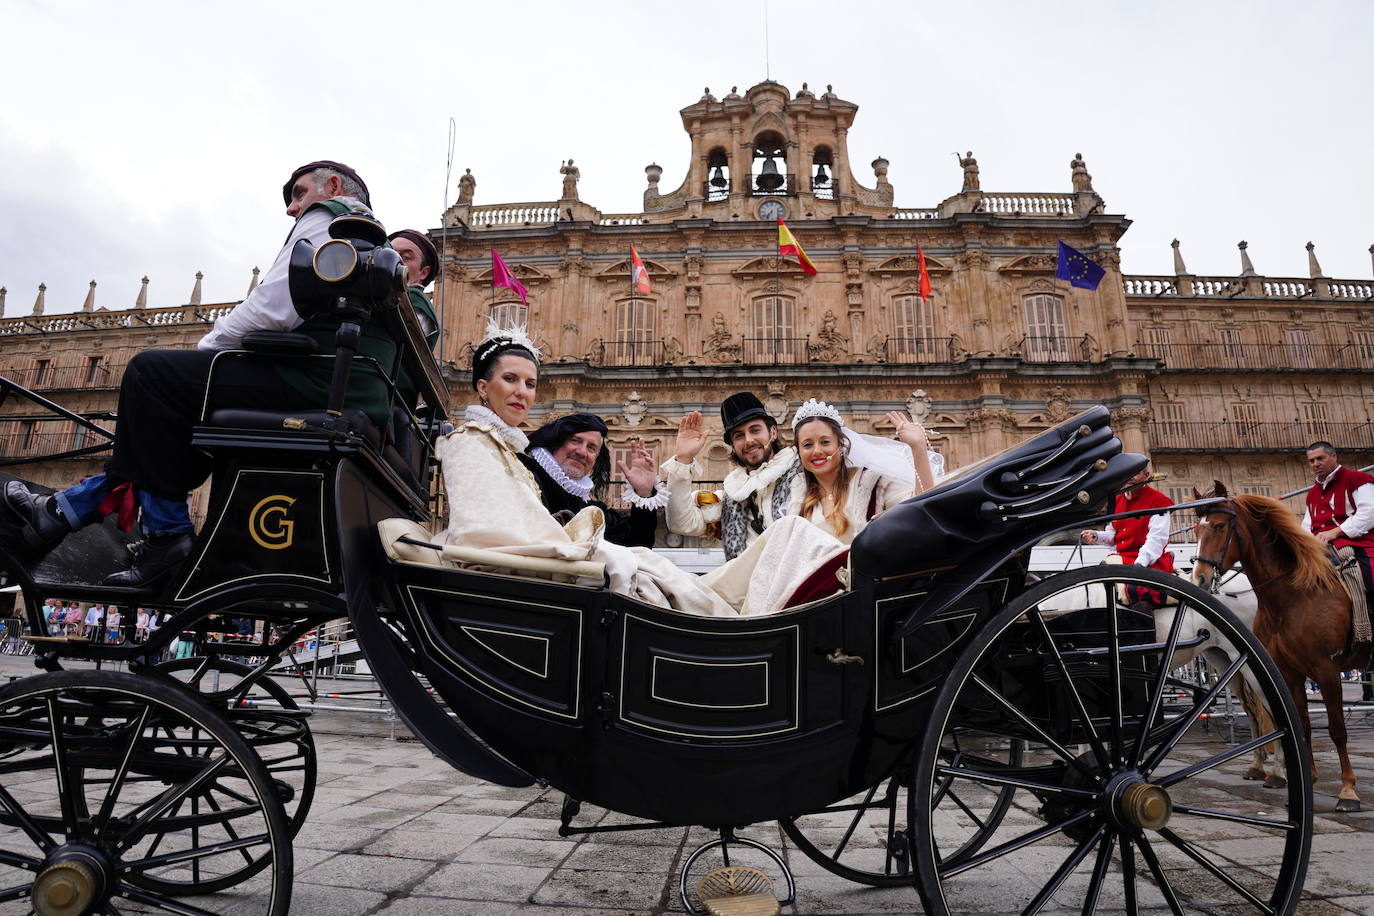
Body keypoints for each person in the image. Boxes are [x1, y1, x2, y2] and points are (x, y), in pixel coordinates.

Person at [3, 161, 391, 588]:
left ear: (333, 186)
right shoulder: (374, 240)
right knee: (170, 419)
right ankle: (66, 510)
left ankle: (160, 533)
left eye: (298, 194)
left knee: (151, 374)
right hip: (345, 385)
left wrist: (207, 350)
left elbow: (275, 306)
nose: (291, 208)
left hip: (310, 379)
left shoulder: (330, 217)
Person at [412, 323, 738, 616]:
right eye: (510, 379)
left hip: (545, 565)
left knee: (652, 564)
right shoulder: (475, 442)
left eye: (529, 383)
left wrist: (641, 495)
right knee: (648, 568)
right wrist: (579, 546)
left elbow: (633, 538)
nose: (521, 391)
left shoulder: (512, 453)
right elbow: (489, 531)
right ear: (483, 387)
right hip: (523, 575)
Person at [661, 393, 801, 560]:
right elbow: (681, 523)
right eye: (739, 435)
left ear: (772, 432)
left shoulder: (801, 475)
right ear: (733, 446)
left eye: (755, 430)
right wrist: (683, 459)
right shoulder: (732, 495)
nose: (748, 440)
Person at [787, 399, 939, 544]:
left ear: (840, 445)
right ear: (799, 451)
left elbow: (920, 509)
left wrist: (918, 448)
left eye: (825, 442)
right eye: (807, 445)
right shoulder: (799, 494)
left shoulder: (873, 481)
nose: (817, 451)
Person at [519, 413, 666, 548]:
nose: (582, 452)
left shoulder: (590, 508)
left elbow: (637, 544)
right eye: (575, 441)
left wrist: (643, 492)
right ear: (554, 443)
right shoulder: (522, 474)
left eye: (591, 448)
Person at [1080, 460, 1174, 605]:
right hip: (1125, 559)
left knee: (1135, 591)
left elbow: (1157, 540)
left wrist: (1139, 566)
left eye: (1135, 473)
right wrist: (1096, 535)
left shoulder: (1158, 501)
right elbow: (1113, 535)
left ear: (1146, 475)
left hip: (1149, 562)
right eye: (1126, 473)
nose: (1130, 477)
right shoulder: (1117, 500)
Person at [1301, 440, 1374, 601]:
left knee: (1372, 578)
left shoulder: (1357, 479)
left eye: (1320, 458)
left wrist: (1336, 532)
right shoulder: (1313, 493)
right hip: (1321, 546)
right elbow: (1307, 524)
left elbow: (1370, 512)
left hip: (1358, 543)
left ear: (1333, 456)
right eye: (1312, 461)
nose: (1316, 464)